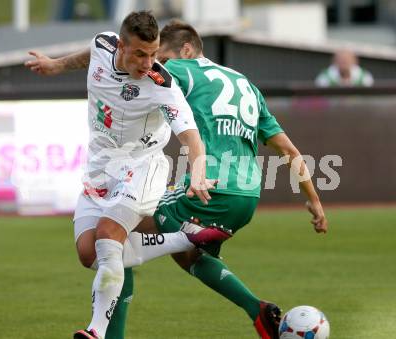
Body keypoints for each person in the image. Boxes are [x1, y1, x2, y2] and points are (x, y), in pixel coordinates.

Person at [105, 20, 329, 339]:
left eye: (163, 58)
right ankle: (258, 310)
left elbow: (134, 69)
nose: (157, 66)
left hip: (209, 189)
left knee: (118, 232)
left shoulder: (183, 70)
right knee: (188, 258)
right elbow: (288, 150)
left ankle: (112, 335)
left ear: (185, 50)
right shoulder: (246, 84)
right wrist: (315, 200)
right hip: (248, 196)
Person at [24, 11, 232, 339]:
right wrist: (56, 65)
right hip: (100, 169)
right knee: (89, 254)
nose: (148, 63)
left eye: (153, 54)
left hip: (143, 167)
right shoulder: (103, 45)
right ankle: (183, 237)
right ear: (121, 46)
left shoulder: (162, 85)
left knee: (109, 236)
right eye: (140, 54)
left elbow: (191, 136)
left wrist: (198, 172)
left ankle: (96, 330)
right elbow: (91, 54)